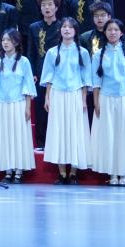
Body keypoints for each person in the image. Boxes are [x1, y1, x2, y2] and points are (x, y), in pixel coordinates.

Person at [90, 20, 125, 186]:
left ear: (121, 33)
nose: (112, 32)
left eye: (116, 30)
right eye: (109, 29)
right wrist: (96, 103)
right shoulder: (98, 54)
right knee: (109, 136)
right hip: (106, 99)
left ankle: (124, 173)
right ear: (105, 32)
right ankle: (112, 173)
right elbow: (96, 82)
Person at [40, 18, 92, 185]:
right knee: (59, 131)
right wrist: (47, 97)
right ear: (60, 30)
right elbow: (49, 77)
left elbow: (85, 79)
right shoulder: (52, 52)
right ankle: (62, 172)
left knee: (75, 132)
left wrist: (84, 100)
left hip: (75, 94)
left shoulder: (83, 52)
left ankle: (73, 173)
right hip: (57, 93)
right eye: (64, 27)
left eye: (70, 27)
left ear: (75, 31)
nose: (67, 30)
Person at [0, 30, 36, 183]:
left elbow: (28, 85)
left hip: (18, 103)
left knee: (18, 137)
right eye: (3, 40)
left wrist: (27, 107)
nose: (5, 43)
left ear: (16, 42)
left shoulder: (24, 61)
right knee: (4, 137)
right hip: (1, 104)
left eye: (9, 40)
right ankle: (7, 170)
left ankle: (18, 171)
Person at [28, 0, 62, 150]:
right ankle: (41, 143)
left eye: (50, 5)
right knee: (41, 108)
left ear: (56, 7)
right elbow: (31, 51)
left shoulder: (63, 26)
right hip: (40, 72)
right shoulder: (34, 27)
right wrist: (32, 72)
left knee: (58, 108)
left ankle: (57, 143)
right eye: (43, 5)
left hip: (59, 73)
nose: (47, 8)